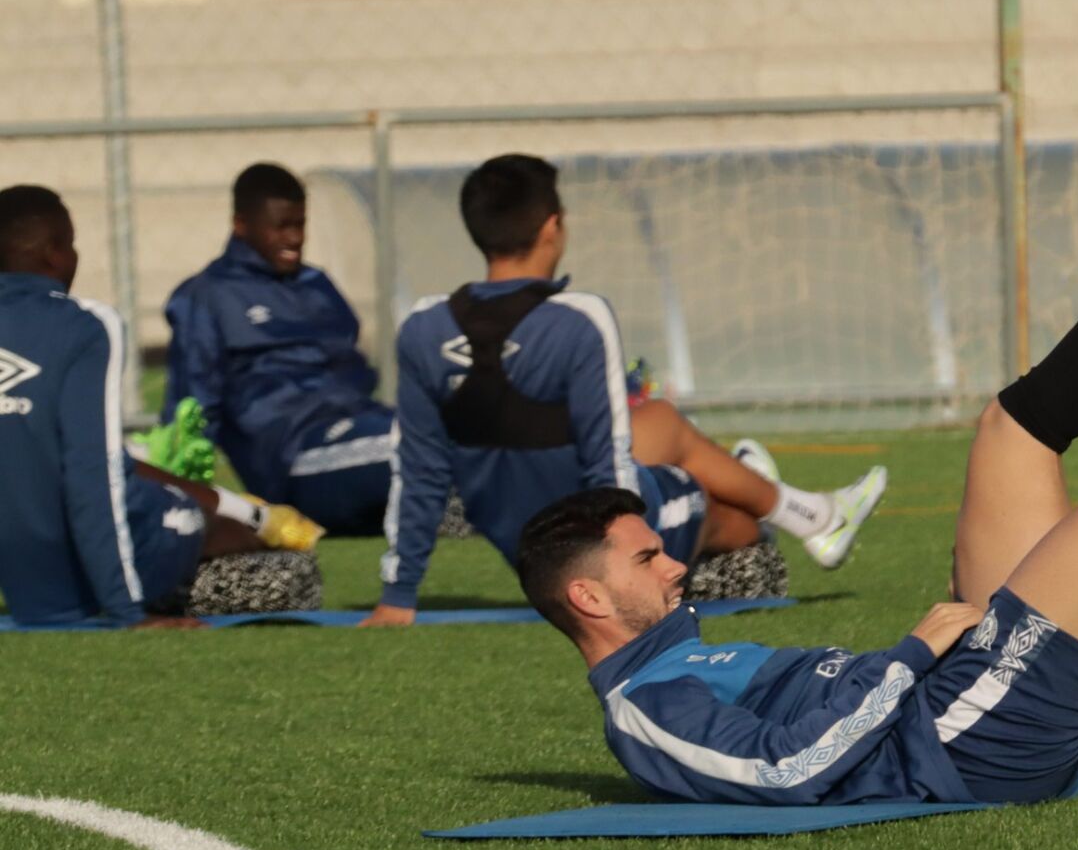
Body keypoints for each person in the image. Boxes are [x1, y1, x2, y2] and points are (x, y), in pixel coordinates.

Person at [514, 73, 1078, 808]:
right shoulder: (644, 709)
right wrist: (911, 654)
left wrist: (918, 658)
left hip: (943, 694)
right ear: (589, 596)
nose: (676, 563)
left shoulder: (673, 659)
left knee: (1015, 427)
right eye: (648, 559)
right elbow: (785, 771)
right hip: (960, 742)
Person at [367, 155, 885, 626]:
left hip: (524, 545)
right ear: (552, 226)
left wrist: (398, 594)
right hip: (591, 546)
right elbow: (608, 460)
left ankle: (798, 505)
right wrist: (626, 574)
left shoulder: (423, 326)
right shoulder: (578, 318)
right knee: (728, 516)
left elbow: (417, 468)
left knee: (659, 421)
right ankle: (804, 513)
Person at [0, 185, 322, 628]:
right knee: (292, 577)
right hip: (97, 570)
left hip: (24, 581)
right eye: (72, 244)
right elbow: (93, 473)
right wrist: (126, 612)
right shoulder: (85, 325)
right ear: (55, 252)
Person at [161, 163, 394, 535]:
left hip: (359, 427)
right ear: (241, 225)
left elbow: (354, 370)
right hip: (292, 456)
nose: (294, 238)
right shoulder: (207, 296)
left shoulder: (317, 285)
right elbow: (191, 411)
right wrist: (182, 502)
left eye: (300, 224)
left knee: (453, 429)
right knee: (411, 444)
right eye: (281, 226)